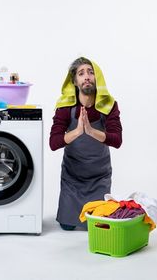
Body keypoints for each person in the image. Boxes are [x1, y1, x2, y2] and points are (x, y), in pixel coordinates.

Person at [49, 57, 122, 230]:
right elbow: (54, 143)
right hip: (72, 179)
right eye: (81, 73)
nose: (86, 76)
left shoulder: (109, 105)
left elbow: (117, 140)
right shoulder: (65, 107)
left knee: (97, 226)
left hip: (99, 177)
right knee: (67, 227)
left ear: (97, 78)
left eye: (90, 72)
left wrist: (90, 131)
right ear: (75, 81)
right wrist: (77, 131)